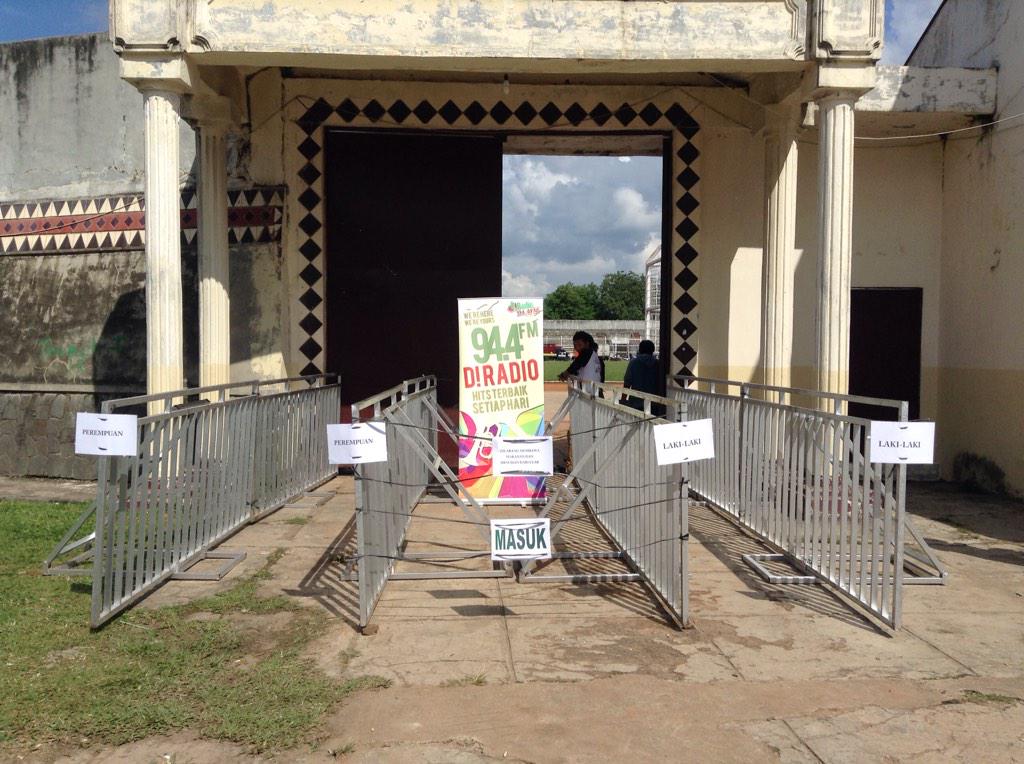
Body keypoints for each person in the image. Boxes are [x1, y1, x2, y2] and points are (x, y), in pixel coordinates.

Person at [622, 339, 659, 411]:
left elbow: (627, 383)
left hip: (636, 402)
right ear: (652, 350)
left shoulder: (633, 363)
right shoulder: (658, 364)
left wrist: (623, 400)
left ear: (640, 349)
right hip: (654, 402)